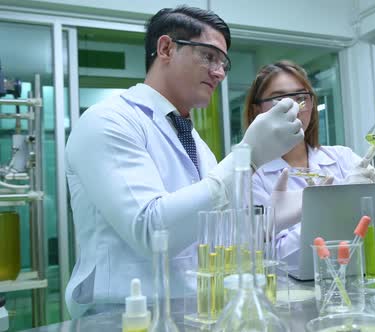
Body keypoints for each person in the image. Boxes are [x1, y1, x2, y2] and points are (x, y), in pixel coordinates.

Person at [64, 7, 304, 318]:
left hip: (190, 312)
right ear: (166, 48)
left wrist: (268, 221)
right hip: (121, 316)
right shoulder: (108, 121)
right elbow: (152, 231)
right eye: (209, 56)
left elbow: (203, 236)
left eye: (223, 63)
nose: (219, 72)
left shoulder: (197, 145)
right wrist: (248, 157)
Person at [242, 60, 375, 266]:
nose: (294, 109)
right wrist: (339, 207)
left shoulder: (342, 158)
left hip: (358, 280)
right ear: (256, 111)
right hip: (295, 293)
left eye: (301, 98)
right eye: (280, 100)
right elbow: (275, 258)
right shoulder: (252, 177)